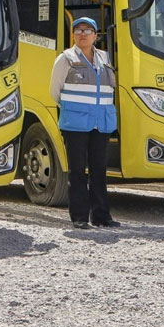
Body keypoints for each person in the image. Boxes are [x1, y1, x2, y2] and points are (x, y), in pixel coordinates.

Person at [48, 17, 121, 230]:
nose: (83, 34)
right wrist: (72, 109)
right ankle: (79, 217)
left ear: (95, 35)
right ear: (72, 35)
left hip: (101, 122)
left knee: (99, 169)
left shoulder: (104, 58)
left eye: (88, 30)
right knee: (77, 170)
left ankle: (101, 216)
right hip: (75, 123)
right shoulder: (65, 58)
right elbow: (54, 90)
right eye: (78, 30)